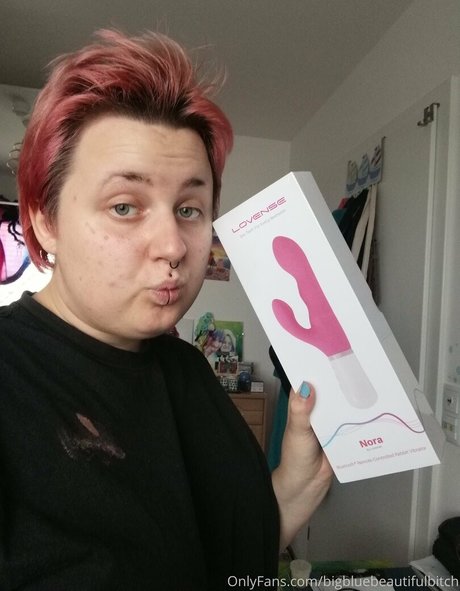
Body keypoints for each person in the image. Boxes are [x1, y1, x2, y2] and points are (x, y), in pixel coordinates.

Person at [0, 29, 332, 590]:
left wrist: (295, 485)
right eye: (124, 206)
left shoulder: (189, 370)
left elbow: (224, 555)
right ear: (44, 219)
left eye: (189, 208)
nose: (174, 246)